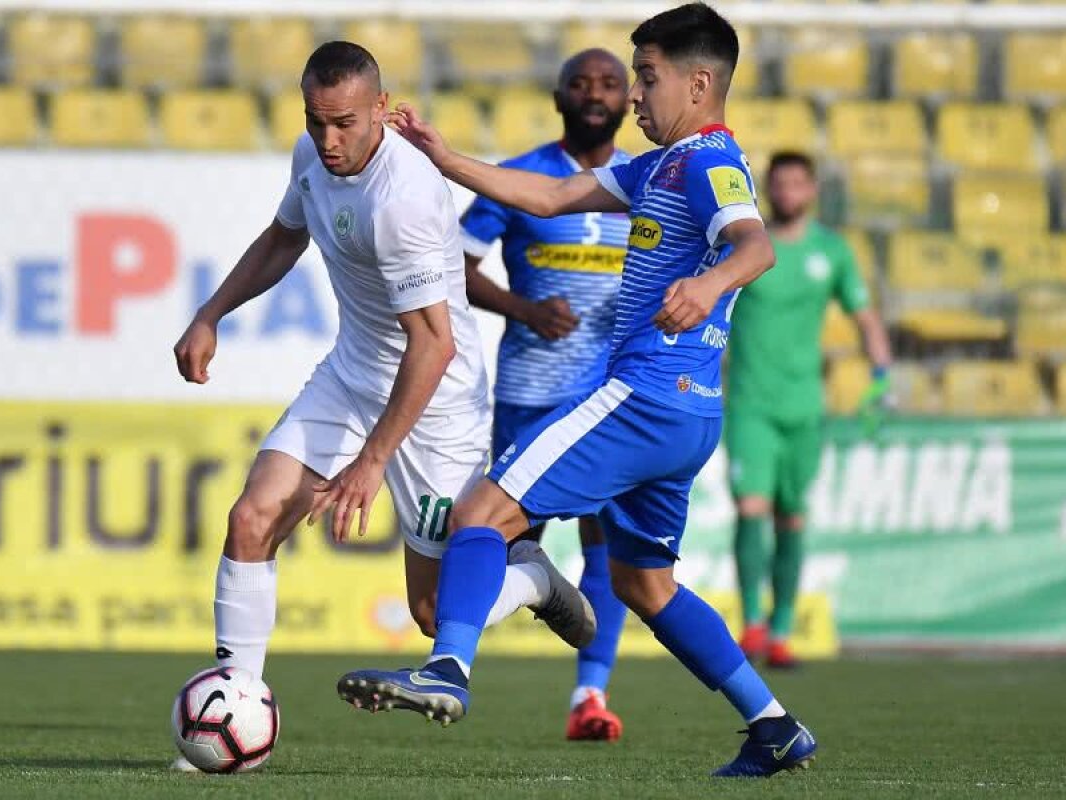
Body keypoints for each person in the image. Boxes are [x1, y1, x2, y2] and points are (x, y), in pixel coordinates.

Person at [338, 4, 819, 778]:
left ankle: (447, 668)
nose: (636, 95)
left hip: (646, 397)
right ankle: (774, 726)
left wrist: (707, 286)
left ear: (699, 84)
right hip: (689, 413)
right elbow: (550, 197)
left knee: (480, 512)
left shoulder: (707, 162)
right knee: (643, 584)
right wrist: (446, 157)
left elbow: (755, 245)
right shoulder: (660, 166)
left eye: (648, 78)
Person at [171, 41, 591, 769]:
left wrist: (371, 462)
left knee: (432, 613)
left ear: (381, 109)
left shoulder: (404, 199)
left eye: (345, 123)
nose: (329, 139)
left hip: (436, 405)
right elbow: (283, 238)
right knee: (252, 518)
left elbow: (434, 345)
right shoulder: (313, 157)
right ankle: (236, 702)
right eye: (316, 121)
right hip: (352, 376)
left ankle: (531, 579)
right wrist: (211, 313)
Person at [459, 47, 632, 742]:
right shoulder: (522, 176)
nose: (595, 94)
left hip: (610, 397)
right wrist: (524, 309)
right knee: (505, 542)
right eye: (580, 83)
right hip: (530, 391)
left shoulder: (645, 180)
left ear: (628, 100)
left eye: (610, 83)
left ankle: (590, 695)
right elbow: (455, 264)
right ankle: (455, 667)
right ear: (559, 98)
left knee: (607, 542)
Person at [727, 151, 892, 669]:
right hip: (750, 402)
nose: (788, 192)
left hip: (804, 407)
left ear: (813, 189)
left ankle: (781, 631)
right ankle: (752, 625)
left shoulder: (832, 251)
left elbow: (864, 315)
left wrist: (882, 375)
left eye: (798, 183)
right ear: (768, 189)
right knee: (750, 507)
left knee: (792, 516)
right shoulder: (749, 245)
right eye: (779, 184)